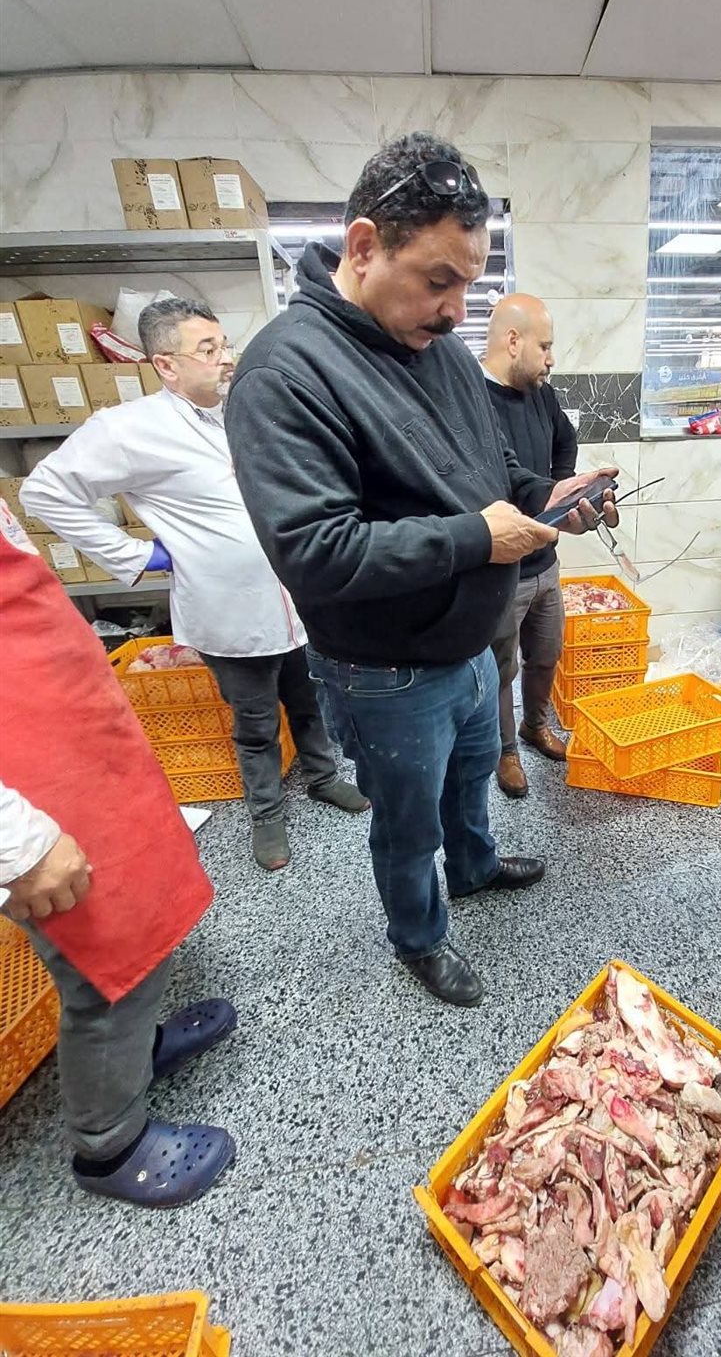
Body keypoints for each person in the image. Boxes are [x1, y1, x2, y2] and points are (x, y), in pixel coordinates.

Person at [223, 132, 618, 1007]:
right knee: (406, 828)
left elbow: (488, 473)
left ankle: (473, 867)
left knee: (471, 781)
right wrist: (476, 540)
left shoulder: (436, 349)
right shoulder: (285, 372)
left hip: (470, 647)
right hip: (384, 672)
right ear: (365, 246)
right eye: (440, 280)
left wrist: (549, 496)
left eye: (469, 284)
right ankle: (419, 938)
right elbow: (315, 551)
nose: (454, 310)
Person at [19, 298, 368, 873]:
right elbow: (44, 492)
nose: (226, 358)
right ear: (166, 364)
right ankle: (267, 815)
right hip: (227, 610)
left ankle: (323, 777)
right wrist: (135, 553)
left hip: (297, 599)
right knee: (256, 722)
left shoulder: (248, 410)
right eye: (208, 350)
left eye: (224, 344)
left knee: (309, 700)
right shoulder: (130, 429)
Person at [0, 500, 236, 1207]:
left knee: (139, 928)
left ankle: (136, 1052)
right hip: (31, 788)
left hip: (64, 739)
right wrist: (16, 843)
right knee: (103, 957)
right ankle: (109, 1144)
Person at [483, 294, 578, 797]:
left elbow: (565, 441)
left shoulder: (542, 394)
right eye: (545, 346)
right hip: (502, 571)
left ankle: (534, 726)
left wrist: (559, 497)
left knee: (545, 655)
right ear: (513, 340)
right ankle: (505, 752)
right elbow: (502, 474)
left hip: (545, 562)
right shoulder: (472, 400)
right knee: (502, 667)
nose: (551, 359)